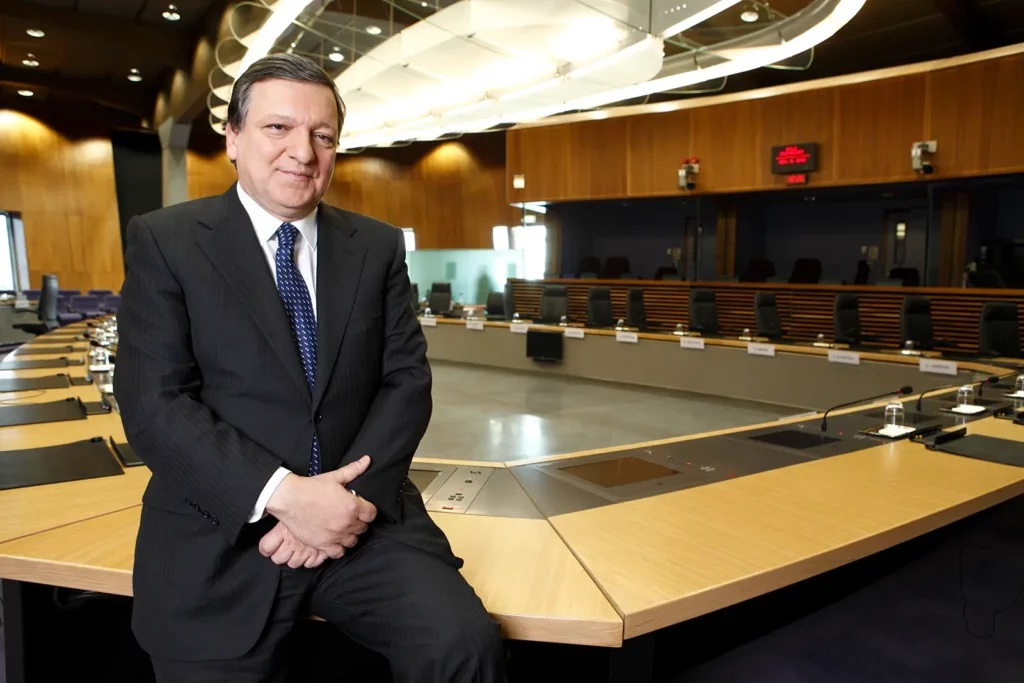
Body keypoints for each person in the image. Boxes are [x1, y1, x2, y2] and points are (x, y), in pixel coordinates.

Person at [113, 53, 505, 683]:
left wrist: (339, 508)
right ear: (233, 138)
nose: (303, 151)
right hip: (225, 530)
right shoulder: (167, 241)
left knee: (462, 646)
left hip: (363, 523)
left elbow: (406, 382)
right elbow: (153, 403)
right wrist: (285, 497)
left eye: (323, 136)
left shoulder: (375, 245)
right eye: (278, 128)